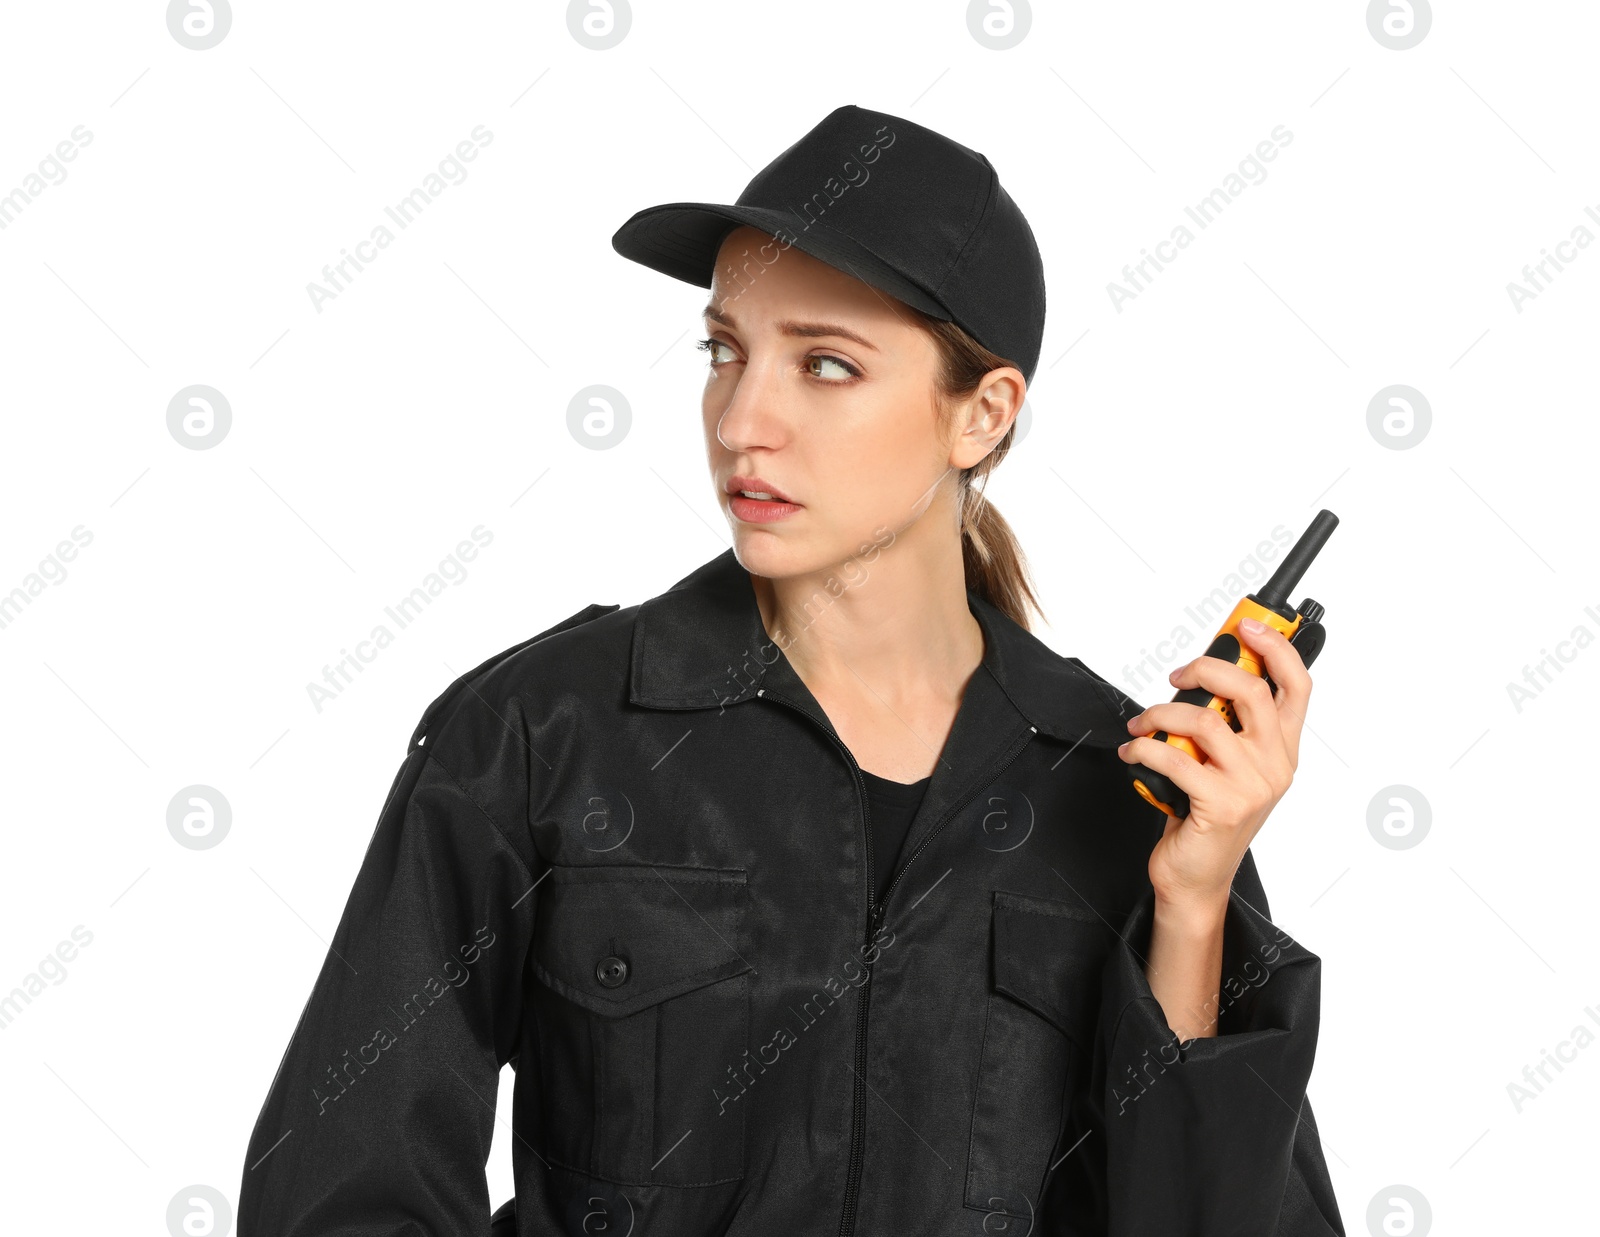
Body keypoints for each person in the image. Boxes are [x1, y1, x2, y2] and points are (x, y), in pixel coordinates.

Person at [238, 104, 1346, 1235]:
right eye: (724, 350)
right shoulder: (540, 735)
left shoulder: (1121, 787)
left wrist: (1194, 899)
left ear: (982, 413)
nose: (741, 419)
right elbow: (336, 1191)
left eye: (824, 364)